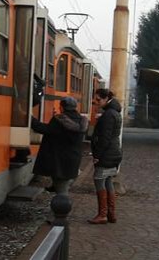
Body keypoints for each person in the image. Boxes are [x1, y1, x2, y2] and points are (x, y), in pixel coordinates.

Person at [29, 97, 87, 196]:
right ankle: (58, 194)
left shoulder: (59, 120)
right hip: (73, 160)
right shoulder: (82, 120)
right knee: (62, 185)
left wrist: (30, 119)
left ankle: (61, 209)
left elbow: (46, 129)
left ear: (62, 107)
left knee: (62, 192)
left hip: (59, 160)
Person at [88, 88, 122, 224]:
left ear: (106, 98)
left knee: (99, 180)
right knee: (108, 181)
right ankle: (111, 214)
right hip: (114, 153)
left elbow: (104, 139)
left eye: (98, 100)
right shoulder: (115, 113)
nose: (96, 102)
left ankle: (102, 214)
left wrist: (97, 155)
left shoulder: (108, 115)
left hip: (106, 154)